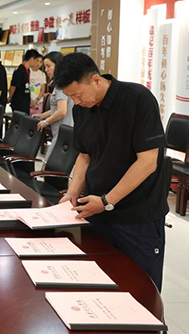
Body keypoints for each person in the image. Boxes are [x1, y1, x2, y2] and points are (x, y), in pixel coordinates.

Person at [56, 53, 167, 291]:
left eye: (78, 95)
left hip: (137, 216)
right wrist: (72, 193)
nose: (76, 102)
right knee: (101, 282)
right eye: (70, 97)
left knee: (141, 287)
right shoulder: (81, 109)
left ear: (96, 80)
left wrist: (107, 201)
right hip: (97, 210)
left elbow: (148, 161)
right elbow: (84, 155)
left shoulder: (137, 99)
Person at [33, 51, 73, 157]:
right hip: (62, 131)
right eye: (45, 67)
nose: (46, 70)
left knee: (49, 162)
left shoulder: (61, 85)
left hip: (63, 132)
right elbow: (58, 108)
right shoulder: (63, 83)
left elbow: (62, 111)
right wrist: (43, 115)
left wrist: (45, 122)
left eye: (48, 66)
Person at [8, 49, 40, 114]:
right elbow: (13, 86)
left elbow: (27, 86)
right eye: (36, 60)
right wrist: (10, 97)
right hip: (19, 103)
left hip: (25, 102)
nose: (37, 63)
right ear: (31, 59)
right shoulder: (20, 70)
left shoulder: (28, 70)